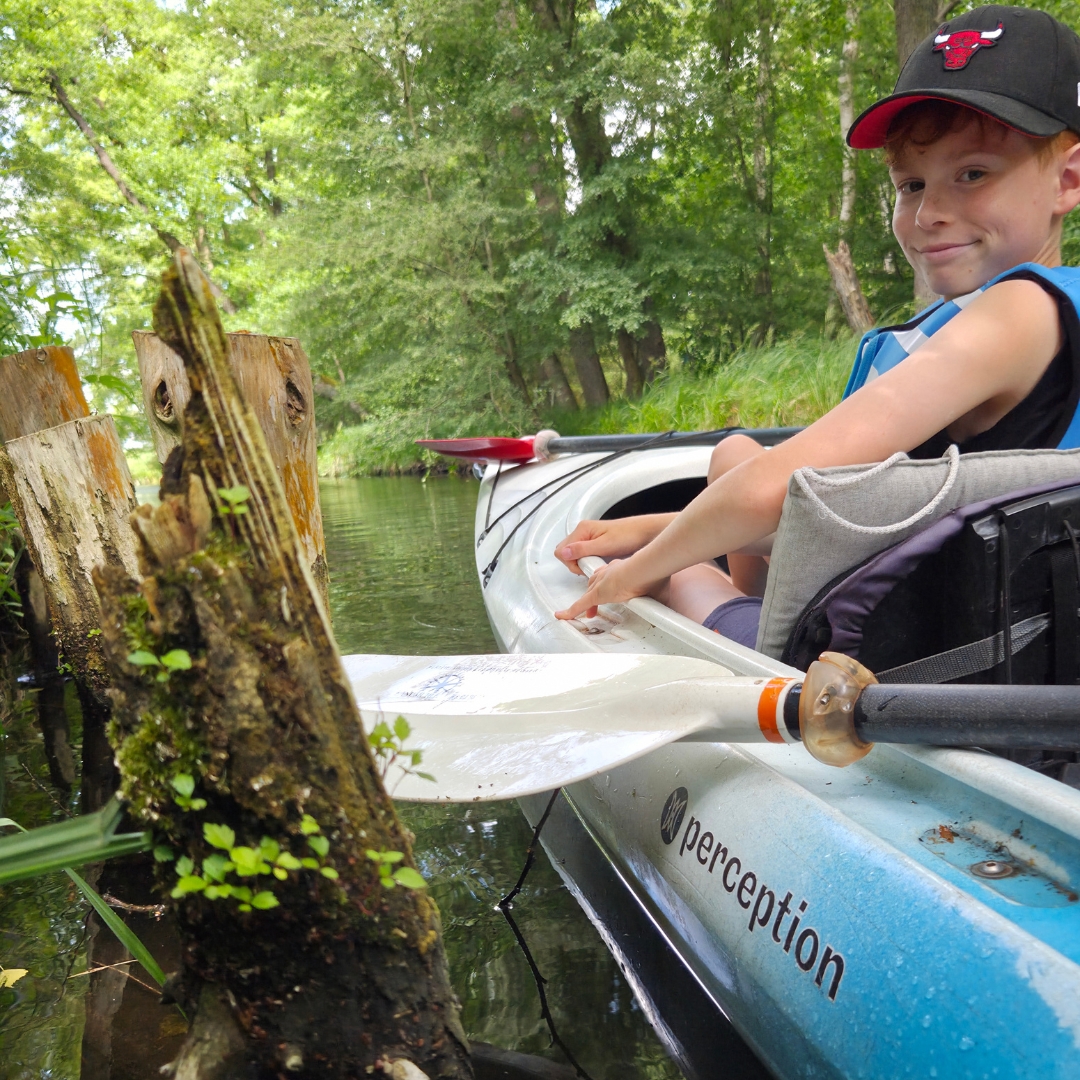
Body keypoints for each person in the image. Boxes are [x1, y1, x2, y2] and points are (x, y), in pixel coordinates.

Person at [553, 4, 1080, 648]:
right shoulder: (1046, 313)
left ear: (1068, 179)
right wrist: (651, 526)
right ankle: (748, 605)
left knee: (685, 567)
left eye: (972, 174)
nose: (930, 212)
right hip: (965, 614)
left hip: (880, 667)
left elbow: (778, 494)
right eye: (911, 184)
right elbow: (881, 506)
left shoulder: (1015, 315)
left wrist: (632, 571)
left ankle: (746, 630)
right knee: (734, 454)